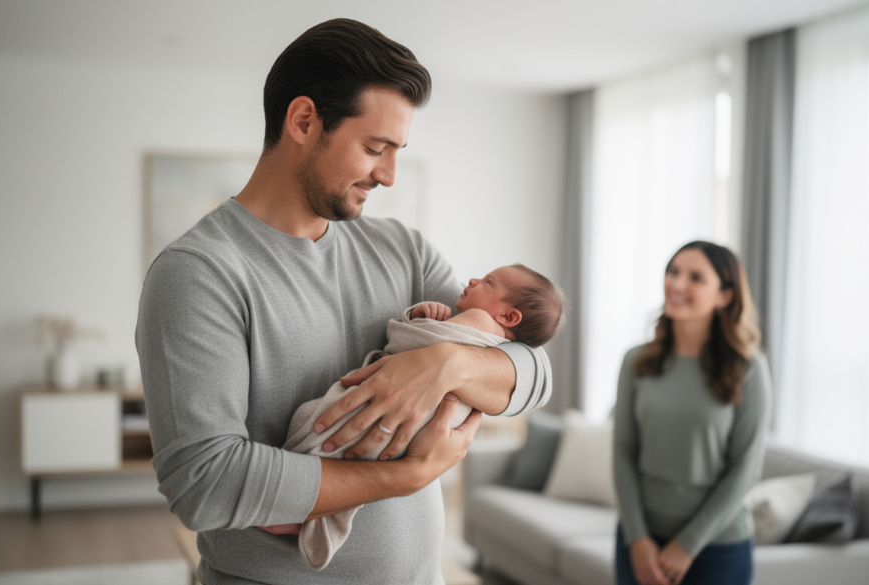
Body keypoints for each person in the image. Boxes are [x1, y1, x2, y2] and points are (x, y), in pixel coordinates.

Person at [134, 18, 552, 585]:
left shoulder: (404, 251)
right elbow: (206, 483)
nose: (389, 174)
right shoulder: (198, 273)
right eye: (375, 148)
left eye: (397, 151)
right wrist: (404, 477)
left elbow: (531, 373)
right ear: (304, 120)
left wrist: (446, 363)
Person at [279, 264, 566, 570]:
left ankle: (295, 502)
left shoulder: (477, 317)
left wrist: (429, 335)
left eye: (488, 281)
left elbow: (414, 342)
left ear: (508, 317)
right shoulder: (492, 335)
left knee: (315, 424)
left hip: (417, 416)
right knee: (356, 458)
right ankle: (315, 512)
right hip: (424, 433)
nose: (472, 280)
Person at [613, 241, 771, 585]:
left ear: (725, 296)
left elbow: (745, 468)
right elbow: (623, 452)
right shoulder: (635, 361)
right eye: (673, 272)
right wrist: (637, 539)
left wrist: (687, 545)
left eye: (695, 277)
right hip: (640, 541)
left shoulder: (749, 368)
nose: (677, 284)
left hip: (717, 548)